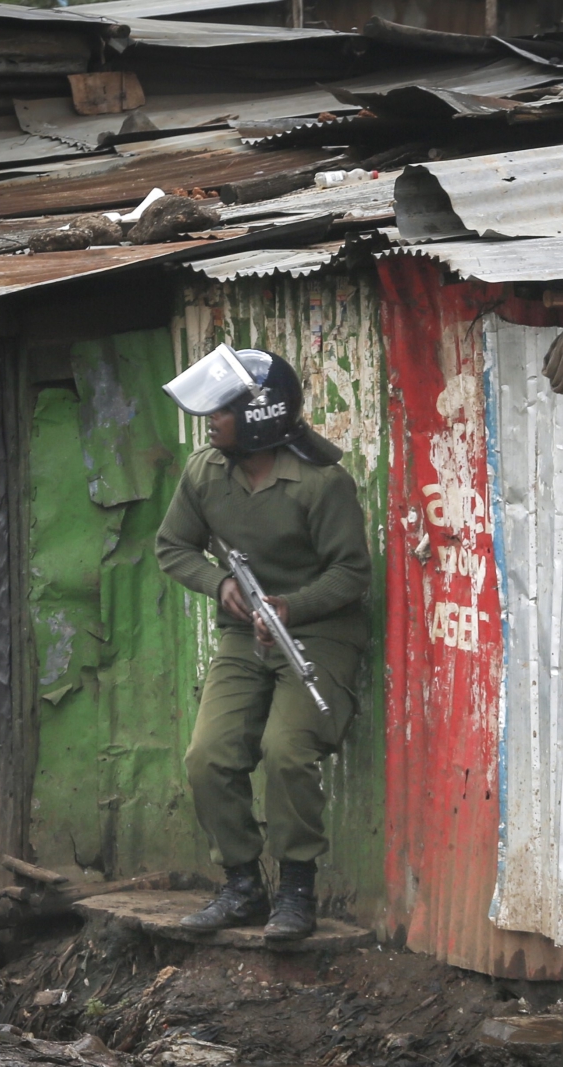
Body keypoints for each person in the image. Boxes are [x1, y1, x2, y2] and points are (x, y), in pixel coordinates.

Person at [156, 345, 370, 941]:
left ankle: (297, 889)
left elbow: (352, 574)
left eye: (221, 410)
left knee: (285, 750)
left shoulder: (322, 484)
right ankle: (242, 886)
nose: (210, 420)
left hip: (319, 635)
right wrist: (220, 583)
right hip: (241, 638)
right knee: (208, 756)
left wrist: (289, 606)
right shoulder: (204, 471)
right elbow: (173, 547)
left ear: (260, 416)